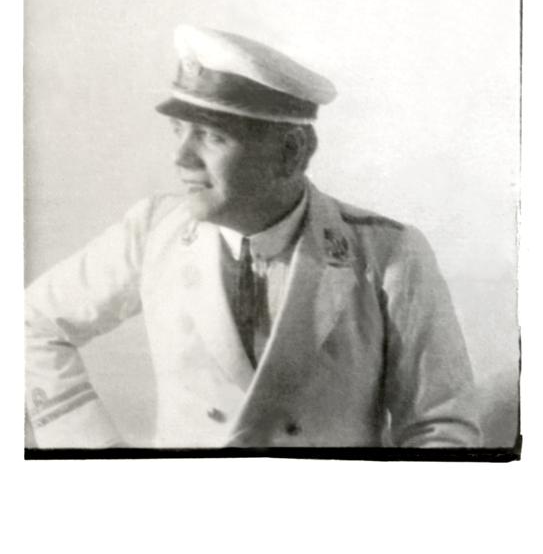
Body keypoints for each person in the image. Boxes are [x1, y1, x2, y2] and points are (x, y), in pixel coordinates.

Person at [25, 25, 482, 450]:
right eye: (179, 130)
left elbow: (440, 426)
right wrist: (94, 456)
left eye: (211, 136)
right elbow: (30, 323)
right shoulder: (152, 233)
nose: (181, 157)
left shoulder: (387, 255)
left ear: (291, 153)